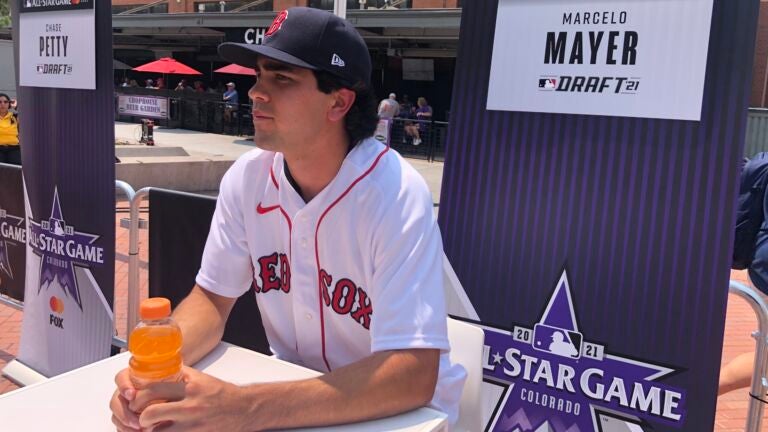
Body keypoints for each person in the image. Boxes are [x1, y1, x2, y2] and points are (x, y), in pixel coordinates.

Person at [109, 7, 465, 432]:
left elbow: (412, 373)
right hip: (295, 398)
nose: (256, 91)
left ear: (338, 101)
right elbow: (211, 300)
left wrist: (244, 408)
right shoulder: (247, 176)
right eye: (259, 74)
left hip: (404, 416)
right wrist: (159, 371)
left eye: (282, 78)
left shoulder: (395, 191)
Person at [0, 93, 20, 165]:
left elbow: (27, 116)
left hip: (14, 148)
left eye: (5, 102)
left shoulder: (14, 117)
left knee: (16, 168)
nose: (2, 104)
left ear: (9, 104)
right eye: (0, 102)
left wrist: (16, 107)